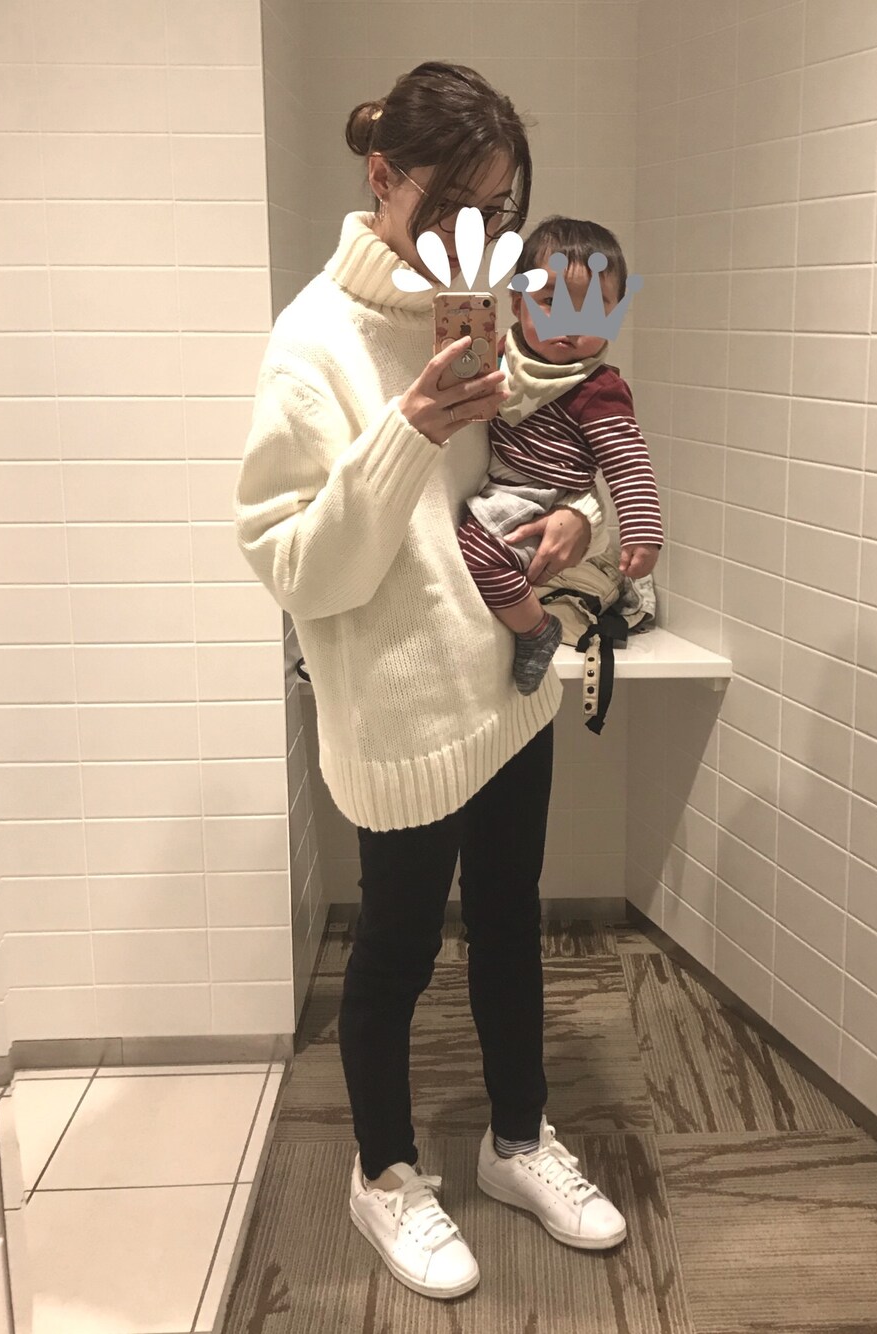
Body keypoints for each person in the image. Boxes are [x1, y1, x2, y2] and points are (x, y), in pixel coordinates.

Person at [233, 62, 627, 1303]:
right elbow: (295, 565)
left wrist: (577, 520)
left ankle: (516, 1137)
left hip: (510, 683)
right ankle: (384, 1169)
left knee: (511, 921)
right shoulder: (311, 342)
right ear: (381, 176)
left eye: (499, 210)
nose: (479, 237)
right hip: (402, 713)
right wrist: (406, 428)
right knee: (395, 953)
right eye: (453, 205)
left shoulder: (488, 310)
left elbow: (563, 454)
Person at [457, 217, 664, 694]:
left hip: (541, 497)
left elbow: (628, 462)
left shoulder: (599, 389)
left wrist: (643, 532)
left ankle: (537, 630)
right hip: (502, 488)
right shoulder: (499, 355)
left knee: (476, 555)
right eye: (550, 301)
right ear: (517, 303)